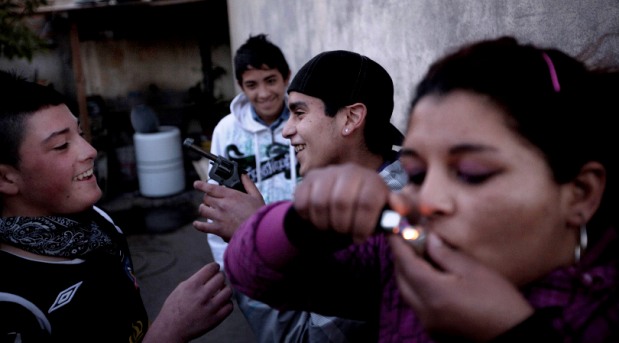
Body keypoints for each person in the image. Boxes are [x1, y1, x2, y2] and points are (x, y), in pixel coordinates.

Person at [223, 36, 619, 342]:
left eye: (471, 172)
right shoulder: (403, 255)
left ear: (580, 194)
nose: (426, 200)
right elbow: (256, 276)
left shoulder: (598, 317)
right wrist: (296, 224)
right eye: (416, 172)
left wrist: (512, 332)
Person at [0, 70, 233, 342]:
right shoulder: (11, 300)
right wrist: (168, 332)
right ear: (6, 177)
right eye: (62, 145)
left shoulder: (99, 222)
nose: (89, 151)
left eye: (81, 133)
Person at [197, 50, 407, 342]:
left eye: (299, 113)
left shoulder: (376, 227)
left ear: (351, 117)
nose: (286, 130)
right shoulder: (356, 196)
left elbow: (303, 338)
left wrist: (253, 242)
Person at [192, 33, 297, 267]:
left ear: (286, 77)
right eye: (252, 84)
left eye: (271, 80)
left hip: (303, 249)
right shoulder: (227, 132)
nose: (263, 93)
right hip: (251, 254)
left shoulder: (304, 122)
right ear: (241, 86)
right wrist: (228, 265)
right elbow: (217, 202)